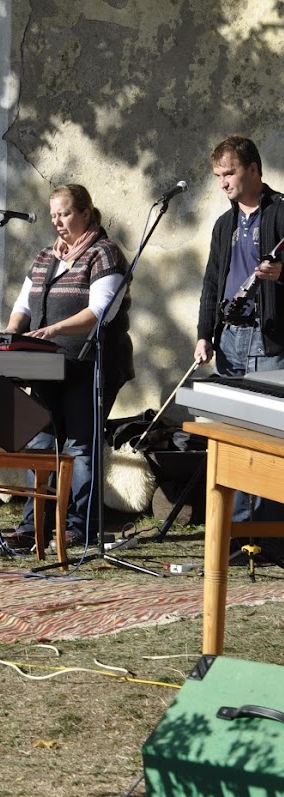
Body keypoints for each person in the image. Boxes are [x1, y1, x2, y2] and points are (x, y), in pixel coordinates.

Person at [2, 183, 134, 551]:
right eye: (53, 215)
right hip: (48, 365)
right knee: (41, 441)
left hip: (92, 363)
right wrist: (12, 333)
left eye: (65, 214)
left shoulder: (105, 255)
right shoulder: (46, 257)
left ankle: (79, 526)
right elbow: (23, 305)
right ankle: (35, 524)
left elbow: (98, 313)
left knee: (79, 446)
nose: (58, 222)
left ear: (86, 214)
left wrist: (55, 329)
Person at [194, 134, 284, 542]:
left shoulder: (281, 212)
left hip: (270, 339)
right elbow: (212, 281)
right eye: (218, 175)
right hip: (230, 338)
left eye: (229, 172)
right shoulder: (224, 223)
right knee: (234, 435)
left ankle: (269, 536)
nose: (223, 182)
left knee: (269, 437)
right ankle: (240, 534)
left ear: (252, 169)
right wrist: (203, 333)